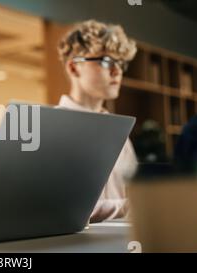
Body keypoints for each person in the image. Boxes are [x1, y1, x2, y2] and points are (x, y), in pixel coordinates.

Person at [56, 20, 138, 222]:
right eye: (106, 61)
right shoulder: (50, 130)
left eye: (120, 63)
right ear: (74, 68)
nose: (117, 71)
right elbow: (60, 208)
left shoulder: (121, 133)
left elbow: (136, 193)